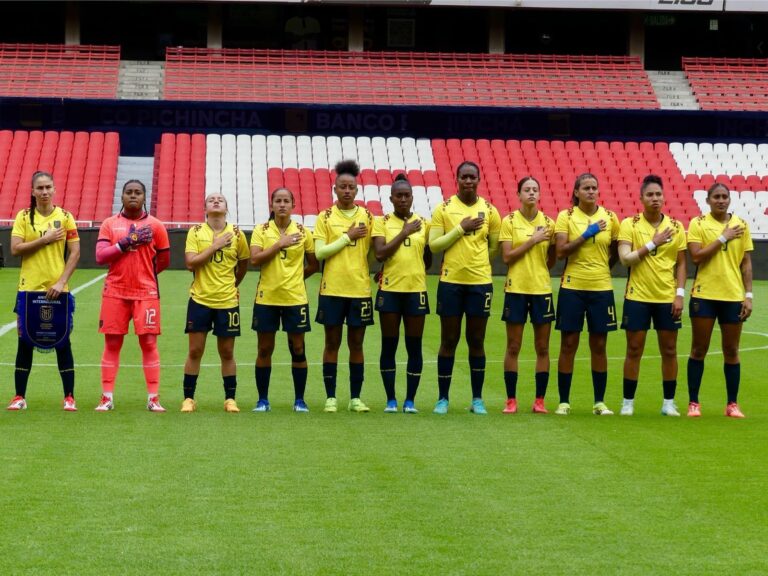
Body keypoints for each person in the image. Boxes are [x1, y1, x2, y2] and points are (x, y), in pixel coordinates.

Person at [429, 161, 501, 415]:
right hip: (450, 283)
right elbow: (435, 245)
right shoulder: (444, 209)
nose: (468, 181)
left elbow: (493, 248)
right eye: (464, 177)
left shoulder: (490, 211)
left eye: (473, 177)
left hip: (480, 284)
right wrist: (461, 229)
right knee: (448, 340)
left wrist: (477, 264)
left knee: (476, 340)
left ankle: (477, 399)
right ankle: (443, 398)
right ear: (457, 179)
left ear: (479, 180)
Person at [94, 179, 170, 412]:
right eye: (129, 192)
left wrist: (144, 273)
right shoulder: (110, 224)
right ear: (122, 197)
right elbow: (100, 256)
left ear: (145, 197)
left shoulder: (156, 226)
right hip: (115, 292)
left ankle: (153, 398)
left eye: (138, 192)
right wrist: (125, 243)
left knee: (148, 342)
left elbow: (164, 260)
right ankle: (107, 397)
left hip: (146, 293)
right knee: (113, 342)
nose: (133, 196)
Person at [7, 171, 80, 411]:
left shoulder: (66, 217)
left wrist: (61, 282)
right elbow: (15, 249)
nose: (45, 191)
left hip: (57, 291)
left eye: (49, 187)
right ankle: (19, 397)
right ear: (33, 191)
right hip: (29, 290)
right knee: (24, 342)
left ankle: (69, 397)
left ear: (55, 189)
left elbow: (75, 252)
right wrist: (45, 239)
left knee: (62, 341)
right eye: (40, 188)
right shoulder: (23, 217)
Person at [617, 175, 687, 416]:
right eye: (650, 195)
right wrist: (653, 243)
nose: (655, 199)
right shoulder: (630, 224)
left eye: (658, 194)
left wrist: (679, 294)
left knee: (669, 350)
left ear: (664, 197)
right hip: (637, 296)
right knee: (634, 350)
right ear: (641, 198)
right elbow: (625, 259)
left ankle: (668, 402)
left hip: (667, 297)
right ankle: (628, 402)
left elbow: (681, 264)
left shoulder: (676, 227)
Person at [554, 173, 620, 416]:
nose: (591, 192)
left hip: (601, 288)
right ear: (576, 192)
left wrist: (601, 270)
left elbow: (614, 253)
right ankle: (564, 401)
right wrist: (586, 234)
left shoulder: (611, 217)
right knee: (568, 343)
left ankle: (599, 402)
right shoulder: (566, 216)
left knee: (599, 345)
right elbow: (561, 251)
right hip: (572, 287)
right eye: (586, 188)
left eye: (594, 188)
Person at [686, 182, 753, 418]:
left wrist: (749, 295)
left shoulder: (741, 225)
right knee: (698, 349)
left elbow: (745, 263)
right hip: (704, 294)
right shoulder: (698, 223)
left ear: (729, 200)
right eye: (716, 197)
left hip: (733, 296)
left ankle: (732, 404)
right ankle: (694, 403)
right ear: (708, 200)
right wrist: (723, 238)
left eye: (725, 196)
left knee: (732, 350)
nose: (721, 200)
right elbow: (696, 257)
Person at [314, 159, 375, 413]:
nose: (347, 190)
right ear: (335, 189)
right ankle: (330, 397)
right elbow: (320, 253)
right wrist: (347, 237)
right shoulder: (325, 217)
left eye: (351, 186)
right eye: (342, 187)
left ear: (357, 190)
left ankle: (355, 397)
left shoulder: (368, 216)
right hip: (332, 289)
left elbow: (374, 250)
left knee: (357, 344)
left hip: (359, 289)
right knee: (331, 343)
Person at [250, 187, 318, 412]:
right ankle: (263, 400)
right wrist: (279, 244)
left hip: (295, 298)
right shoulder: (261, 230)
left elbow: (314, 264)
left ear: (293, 205)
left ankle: (300, 400)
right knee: (264, 349)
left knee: (298, 348)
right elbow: (255, 260)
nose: (281, 205)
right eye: (277, 201)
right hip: (267, 298)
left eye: (286, 201)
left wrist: (296, 279)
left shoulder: (303, 232)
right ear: (271, 205)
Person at [181, 193, 250, 413]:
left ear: (227, 207)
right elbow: (191, 263)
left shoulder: (237, 233)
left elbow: (244, 264)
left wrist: (233, 285)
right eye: (211, 200)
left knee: (227, 352)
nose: (216, 201)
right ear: (205, 208)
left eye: (220, 199)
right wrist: (215, 246)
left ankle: (230, 399)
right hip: (200, 300)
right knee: (195, 350)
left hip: (227, 302)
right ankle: (189, 399)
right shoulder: (196, 232)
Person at [372, 174, 432, 413]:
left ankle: (410, 400)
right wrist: (404, 232)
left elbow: (427, 258)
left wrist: (412, 269)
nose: (403, 199)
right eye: (399, 195)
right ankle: (390, 400)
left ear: (412, 197)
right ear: (391, 198)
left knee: (414, 346)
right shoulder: (382, 222)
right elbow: (379, 254)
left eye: (407, 195)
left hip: (415, 290)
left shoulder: (424, 223)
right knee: (390, 345)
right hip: (390, 291)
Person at [499, 176, 555, 415]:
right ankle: (511, 400)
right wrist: (532, 241)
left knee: (542, 347)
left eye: (535, 189)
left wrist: (540, 270)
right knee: (513, 346)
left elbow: (552, 258)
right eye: (526, 190)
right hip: (516, 289)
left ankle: (539, 400)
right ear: (519, 195)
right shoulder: (509, 221)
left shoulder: (550, 223)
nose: (531, 193)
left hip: (541, 289)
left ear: (540, 195)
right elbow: (507, 257)